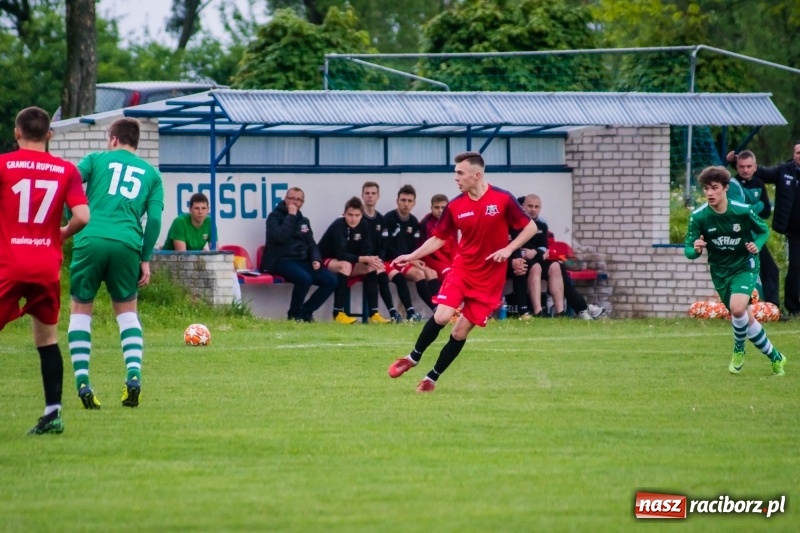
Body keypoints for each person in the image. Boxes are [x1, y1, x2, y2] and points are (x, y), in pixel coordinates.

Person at [387, 151, 537, 393]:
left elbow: (530, 227)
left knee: (459, 331)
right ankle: (412, 357)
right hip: (463, 269)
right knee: (442, 316)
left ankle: (431, 379)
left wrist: (509, 249)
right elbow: (438, 238)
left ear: (476, 175)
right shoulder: (456, 205)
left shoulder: (502, 199)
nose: (455, 177)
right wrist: (413, 256)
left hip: (490, 279)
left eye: (460, 173)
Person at [0, 107, 90, 434]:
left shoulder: (3, 165)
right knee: (47, 339)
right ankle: (52, 414)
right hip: (46, 266)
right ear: (49, 135)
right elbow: (82, 216)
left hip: (9, 264)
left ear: (17, 133)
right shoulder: (65, 170)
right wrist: (62, 233)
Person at [68, 117, 164, 410]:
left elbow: (68, 182)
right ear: (135, 142)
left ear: (112, 139)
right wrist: (144, 258)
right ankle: (133, 375)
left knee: (81, 310)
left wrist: (69, 219)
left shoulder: (96, 159)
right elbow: (156, 220)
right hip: (127, 244)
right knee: (127, 313)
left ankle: (83, 380)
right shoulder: (151, 174)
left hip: (91, 238)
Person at [684, 166, 786, 376]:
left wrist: (756, 245)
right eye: (706, 189)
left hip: (745, 266)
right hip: (720, 271)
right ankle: (776, 357)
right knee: (746, 319)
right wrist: (695, 249)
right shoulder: (699, 217)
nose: (710, 193)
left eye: (714, 188)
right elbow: (688, 250)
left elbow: (762, 230)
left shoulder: (742, 210)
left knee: (737, 309)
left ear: (725, 188)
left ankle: (738, 349)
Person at [728, 144, 800, 317]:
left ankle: (772, 308)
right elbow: (757, 172)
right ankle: (788, 308)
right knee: (795, 267)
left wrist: (753, 207)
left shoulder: (758, 184)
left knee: (772, 270)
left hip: (753, 235)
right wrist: (734, 162)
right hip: (793, 230)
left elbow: (763, 208)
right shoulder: (784, 170)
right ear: (794, 154)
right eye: (798, 152)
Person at [509, 194, 604, 320]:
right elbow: (511, 247)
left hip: (537, 259)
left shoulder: (542, 225)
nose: (533, 209)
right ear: (523, 207)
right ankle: (539, 312)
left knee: (556, 266)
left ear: (540, 208)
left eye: (536, 207)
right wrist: (526, 253)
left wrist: (535, 252)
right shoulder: (515, 224)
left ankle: (561, 313)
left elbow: (544, 249)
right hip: (519, 261)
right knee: (535, 267)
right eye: (530, 206)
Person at [260, 187, 337, 322]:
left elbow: (312, 243)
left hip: (303, 261)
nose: (295, 202)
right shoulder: (274, 217)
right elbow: (281, 237)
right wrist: (291, 215)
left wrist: (316, 259)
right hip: (281, 260)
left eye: (298, 199)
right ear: (285, 199)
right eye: (291, 198)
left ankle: (306, 312)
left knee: (331, 280)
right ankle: (294, 315)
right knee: (305, 279)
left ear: (302, 203)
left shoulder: (304, 221)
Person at [318, 197, 390, 324]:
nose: (353, 219)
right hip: (325, 260)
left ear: (362, 215)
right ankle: (338, 313)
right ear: (344, 213)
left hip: (349, 261)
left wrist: (373, 260)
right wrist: (363, 258)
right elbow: (341, 254)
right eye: (350, 215)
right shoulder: (338, 225)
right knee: (345, 265)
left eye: (357, 215)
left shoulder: (364, 225)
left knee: (371, 266)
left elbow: (367, 248)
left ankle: (374, 313)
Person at [162, 192, 243, 304]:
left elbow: (215, 252)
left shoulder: (210, 222)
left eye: (203, 208)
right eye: (196, 208)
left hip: (195, 261)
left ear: (208, 209)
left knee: (230, 270)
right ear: (190, 209)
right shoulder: (179, 222)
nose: (200, 212)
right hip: (171, 263)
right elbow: (182, 255)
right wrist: (202, 253)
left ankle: (237, 306)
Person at [361, 181, 417, 322]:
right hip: (360, 260)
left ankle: (406, 313)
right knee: (376, 272)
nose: (370, 196)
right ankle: (380, 313)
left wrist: (379, 259)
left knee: (398, 277)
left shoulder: (380, 219)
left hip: (379, 260)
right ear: (362, 195)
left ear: (378, 196)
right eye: (367, 193)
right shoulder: (356, 216)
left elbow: (383, 244)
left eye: (373, 193)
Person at [384, 184, 438, 314]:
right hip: (391, 260)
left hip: (408, 260)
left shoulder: (414, 222)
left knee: (432, 273)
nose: (406, 204)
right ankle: (434, 309)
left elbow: (415, 246)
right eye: (403, 200)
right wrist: (409, 260)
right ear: (397, 201)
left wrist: (413, 259)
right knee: (418, 274)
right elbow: (386, 246)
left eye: (409, 201)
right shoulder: (388, 219)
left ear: (414, 203)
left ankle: (440, 306)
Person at [418, 193, 454, 282]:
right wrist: (448, 264)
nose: (440, 210)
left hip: (447, 258)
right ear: (431, 208)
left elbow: (455, 245)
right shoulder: (425, 223)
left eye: (443, 207)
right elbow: (430, 250)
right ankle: (440, 296)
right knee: (449, 274)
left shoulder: (452, 220)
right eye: (437, 207)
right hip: (429, 257)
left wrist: (454, 263)